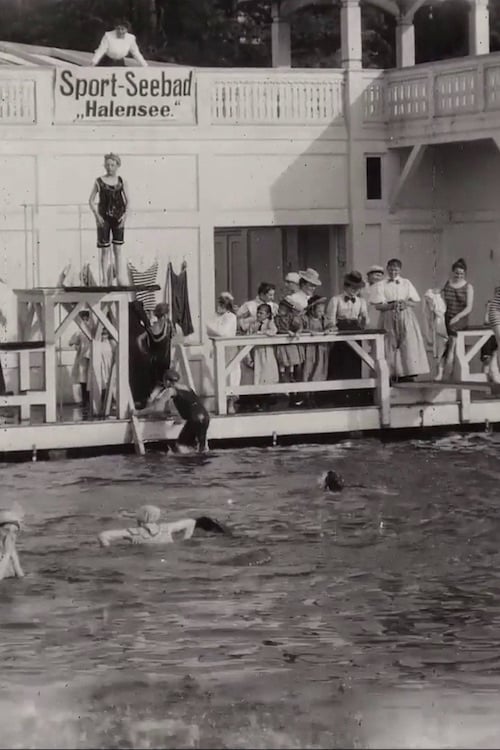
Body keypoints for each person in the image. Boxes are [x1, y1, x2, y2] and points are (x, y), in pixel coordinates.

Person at [371, 258, 429, 383]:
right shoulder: (381, 285)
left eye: (396, 269)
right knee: (389, 343)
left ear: (400, 270)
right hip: (388, 316)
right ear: (387, 269)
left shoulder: (406, 283)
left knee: (407, 342)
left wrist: (405, 304)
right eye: (391, 269)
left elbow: (415, 302)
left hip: (405, 315)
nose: (393, 272)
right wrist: (391, 306)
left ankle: (407, 373)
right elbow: (378, 306)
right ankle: (390, 374)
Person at [138, 369, 210, 453]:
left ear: (167, 381)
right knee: (202, 447)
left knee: (181, 445)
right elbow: (190, 405)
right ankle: (200, 463)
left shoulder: (171, 390)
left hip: (194, 419)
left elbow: (157, 409)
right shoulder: (187, 388)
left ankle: (186, 464)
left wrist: (138, 412)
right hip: (205, 417)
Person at [326, 271, 369, 405]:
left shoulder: (361, 301)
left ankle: (354, 396)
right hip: (341, 332)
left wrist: (364, 320)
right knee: (340, 365)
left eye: (357, 288)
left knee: (355, 363)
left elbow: (365, 318)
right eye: (352, 288)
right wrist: (333, 326)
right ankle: (339, 397)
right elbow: (330, 319)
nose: (355, 291)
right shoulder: (336, 299)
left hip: (355, 332)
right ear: (346, 287)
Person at [98, 505, 228, 547]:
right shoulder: (166, 528)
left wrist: (107, 550)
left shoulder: (133, 532)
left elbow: (103, 535)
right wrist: (185, 540)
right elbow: (191, 522)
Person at [89, 153, 129, 286]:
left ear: (117, 165)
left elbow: (128, 201)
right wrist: (97, 216)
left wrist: (125, 216)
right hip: (103, 218)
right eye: (107, 165)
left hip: (118, 217)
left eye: (112, 165)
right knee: (105, 249)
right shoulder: (99, 181)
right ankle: (105, 280)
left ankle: (119, 278)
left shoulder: (122, 181)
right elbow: (91, 201)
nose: (109, 167)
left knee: (117, 249)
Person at [438, 259, 474, 381]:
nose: (458, 275)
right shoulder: (447, 283)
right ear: (452, 272)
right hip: (447, 316)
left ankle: (446, 375)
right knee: (443, 343)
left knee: (452, 343)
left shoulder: (468, 287)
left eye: (461, 274)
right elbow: (439, 297)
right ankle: (441, 372)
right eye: (456, 273)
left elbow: (469, 307)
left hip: (460, 318)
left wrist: (457, 317)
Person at [239, 302, 279, 411]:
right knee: (257, 376)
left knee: (266, 375)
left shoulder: (270, 323)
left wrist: (262, 333)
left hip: (266, 352)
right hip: (256, 352)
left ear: (267, 314)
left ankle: (266, 401)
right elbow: (248, 333)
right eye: (258, 313)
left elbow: (273, 331)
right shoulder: (254, 324)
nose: (259, 315)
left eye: (261, 313)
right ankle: (256, 401)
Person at [206, 292, 240, 414]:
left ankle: (231, 403)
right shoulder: (215, 316)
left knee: (232, 376)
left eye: (222, 304)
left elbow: (222, 332)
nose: (218, 307)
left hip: (229, 348)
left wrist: (212, 329)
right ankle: (221, 403)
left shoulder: (230, 316)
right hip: (218, 348)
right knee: (219, 376)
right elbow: (208, 330)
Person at [302, 295, 333, 407]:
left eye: (322, 310)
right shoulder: (306, 319)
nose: (321, 312)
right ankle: (307, 396)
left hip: (321, 349)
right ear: (312, 309)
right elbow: (299, 329)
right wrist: (308, 332)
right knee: (308, 369)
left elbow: (333, 327)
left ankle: (316, 395)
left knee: (320, 370)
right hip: (309, 349)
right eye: (318, 310)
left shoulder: (324, 319)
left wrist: (329, 330)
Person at [142, 302, 174, 388]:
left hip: (153, 361)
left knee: (155, 385)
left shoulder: (151, 328)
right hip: (165, 360)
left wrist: (144, 351)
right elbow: (175, 337)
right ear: (165, 314)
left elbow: (139, 339)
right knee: (164, 386)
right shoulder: (169, 326)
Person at [69, 310, 92, 418]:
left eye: (84, 318)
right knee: (84, 379)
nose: (84, 320)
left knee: (89, 379)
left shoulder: (91, 329)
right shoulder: (80, 331)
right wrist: (76, 344)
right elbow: (71, 342)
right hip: (83, 357)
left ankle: (89, 400)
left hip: (91, 356)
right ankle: (86, 400)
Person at [0, 510, 24, 581]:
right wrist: (7, 553)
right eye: (6, 530)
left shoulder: (8, 545)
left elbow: (21, 576)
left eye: (14, 531)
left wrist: (12, 554)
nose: (10, 535)